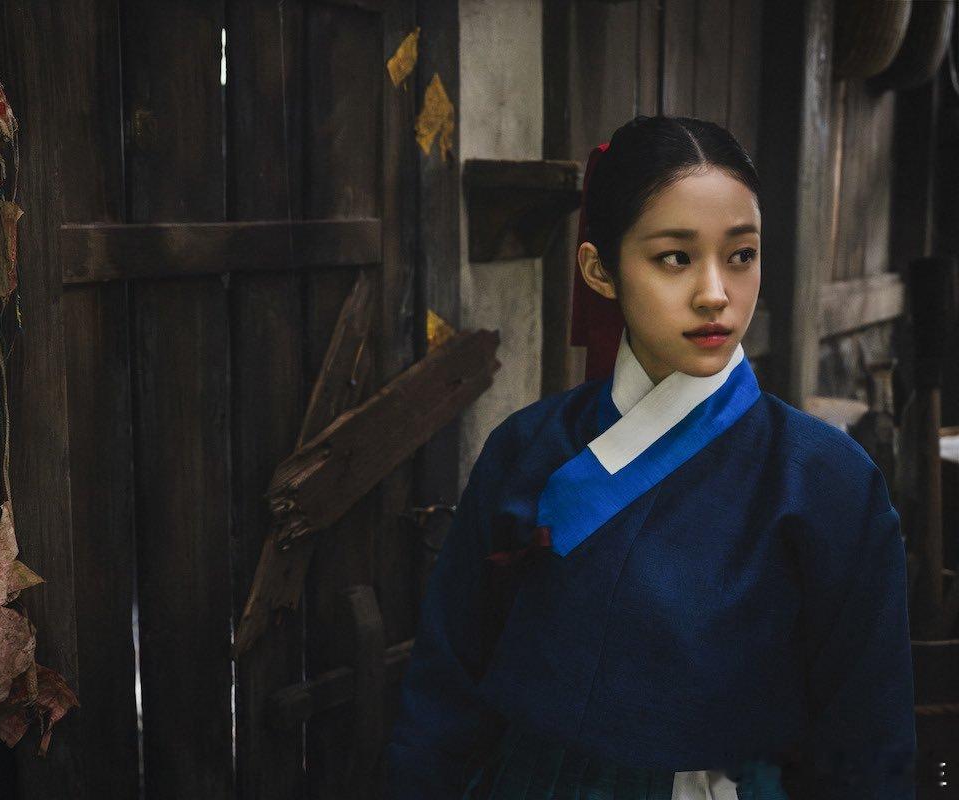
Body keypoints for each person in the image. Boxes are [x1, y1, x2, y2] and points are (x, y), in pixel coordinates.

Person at [382, 115, 916, 800]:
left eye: (741, 255)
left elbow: (868, 740)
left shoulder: (825, 481)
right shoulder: (526, 449)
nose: (715, 293)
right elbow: (446, 686)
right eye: (675, 258)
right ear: (599, 270)